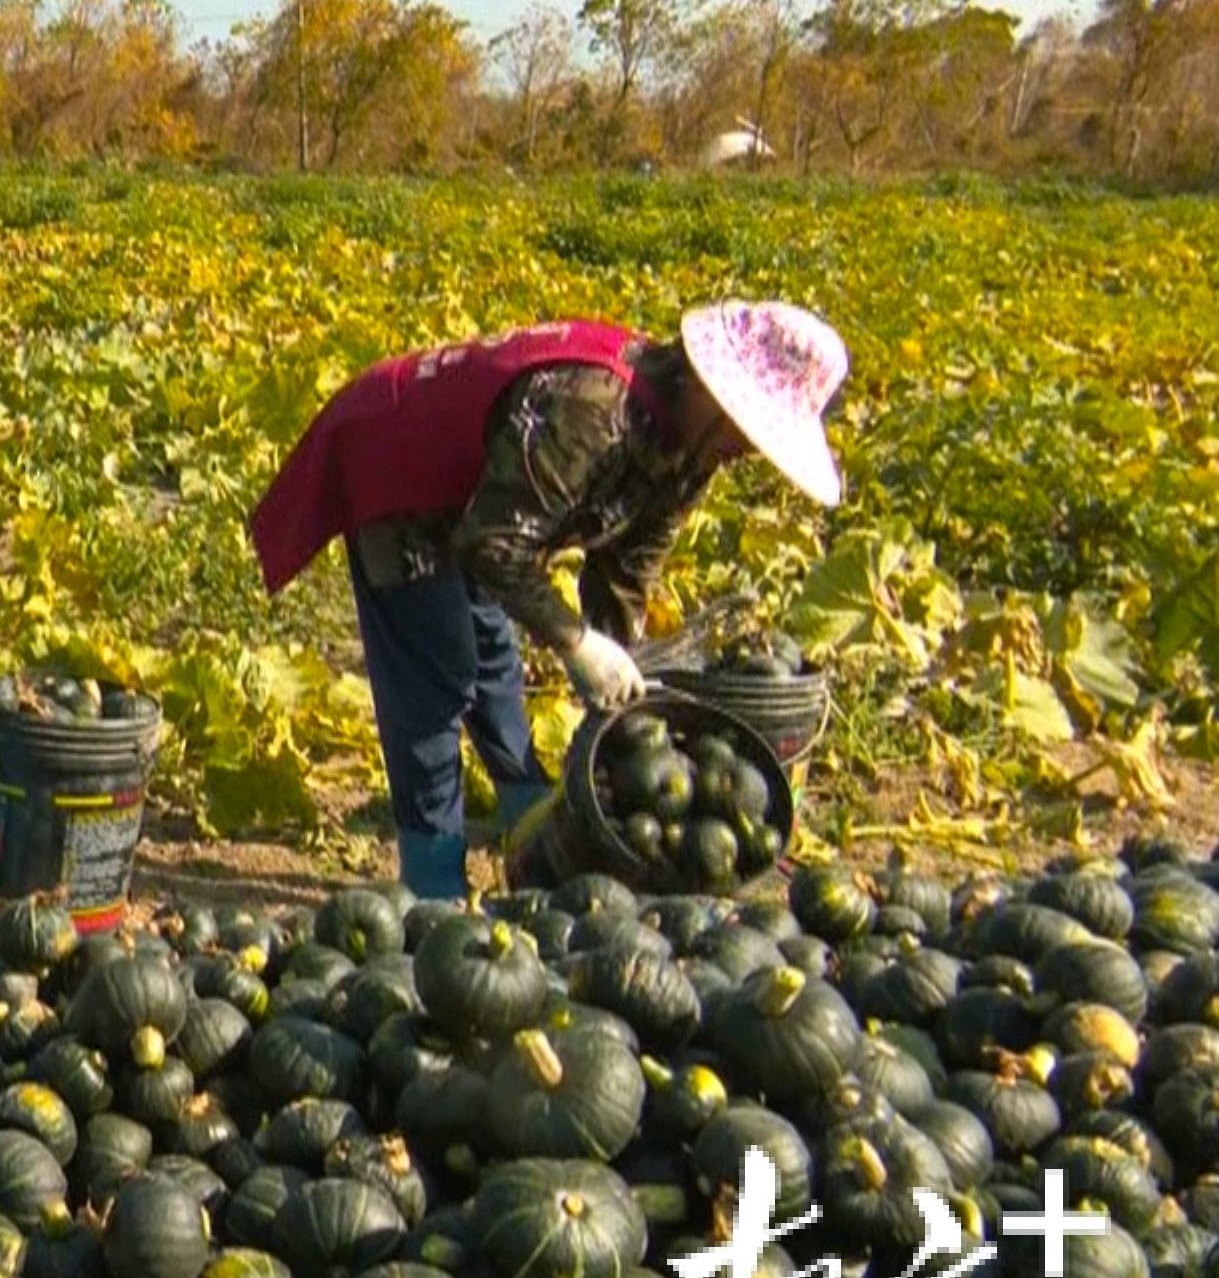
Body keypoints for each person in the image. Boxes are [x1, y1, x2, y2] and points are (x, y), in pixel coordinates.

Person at [247, 303, 850, 903]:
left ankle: (528, 811)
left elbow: (627, 570)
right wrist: (576, 642)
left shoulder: (693, 449)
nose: (749, 451)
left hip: (486, 500)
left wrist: (620, 682)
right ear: (714, 396)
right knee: (436, 676)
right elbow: (492, 545)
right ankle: (432, 875)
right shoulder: (592, 410)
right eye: (751, 433)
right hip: (396, 463)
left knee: (492, 657)